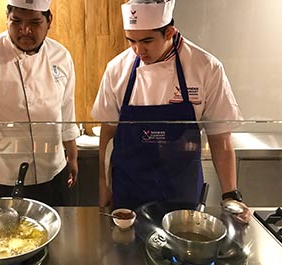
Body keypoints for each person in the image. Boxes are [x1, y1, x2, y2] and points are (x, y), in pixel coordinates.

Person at [91, 0, 250, 223]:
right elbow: (108, 135)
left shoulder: (205, 67)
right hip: (129, 191)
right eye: (131, 41)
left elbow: (220, 137)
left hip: (181, 192)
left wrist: (230, 194)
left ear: (169, 32)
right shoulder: (117, 69)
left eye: (147, 40)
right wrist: (104, 188)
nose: (139, 50)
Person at [0, 0, 79, 206]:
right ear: (7, 18)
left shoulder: (61, 55)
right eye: (16, 21)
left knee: (61, 233)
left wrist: (71, 157)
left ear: (49, 21)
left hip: (54, 171)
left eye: (35, 22)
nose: (24, 30)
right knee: (8, 235)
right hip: (5, 177)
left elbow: (66, 110)